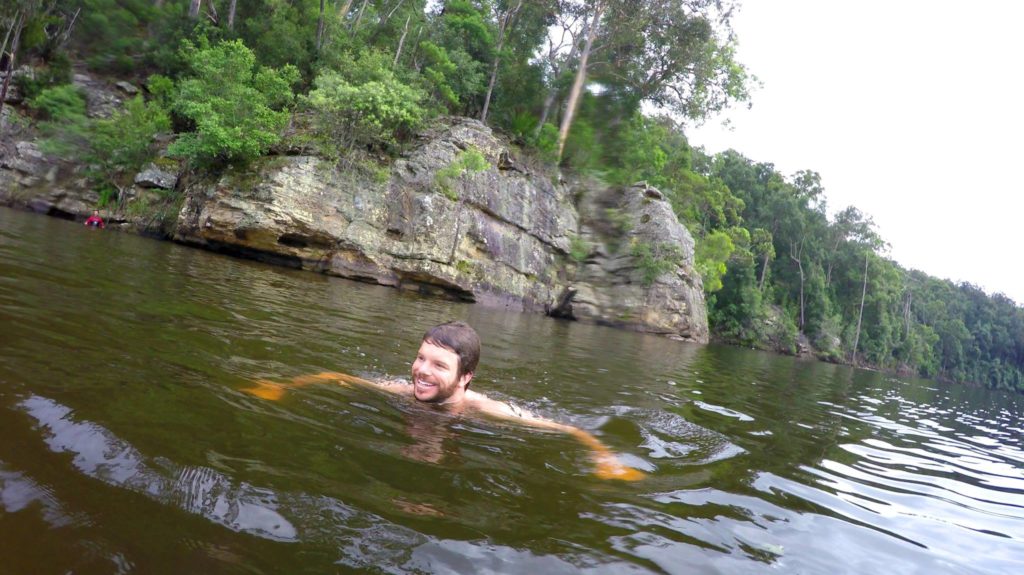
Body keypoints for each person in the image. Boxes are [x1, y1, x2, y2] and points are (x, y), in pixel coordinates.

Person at [243, 321, 645, 481]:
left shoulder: (487, 411)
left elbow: (568, 429)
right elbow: (337, 377)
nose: (420, 370)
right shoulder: (402, 391)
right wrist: (283, 387)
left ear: (466, 377)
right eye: (420, 358)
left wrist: (604, 459)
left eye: (437, 364)